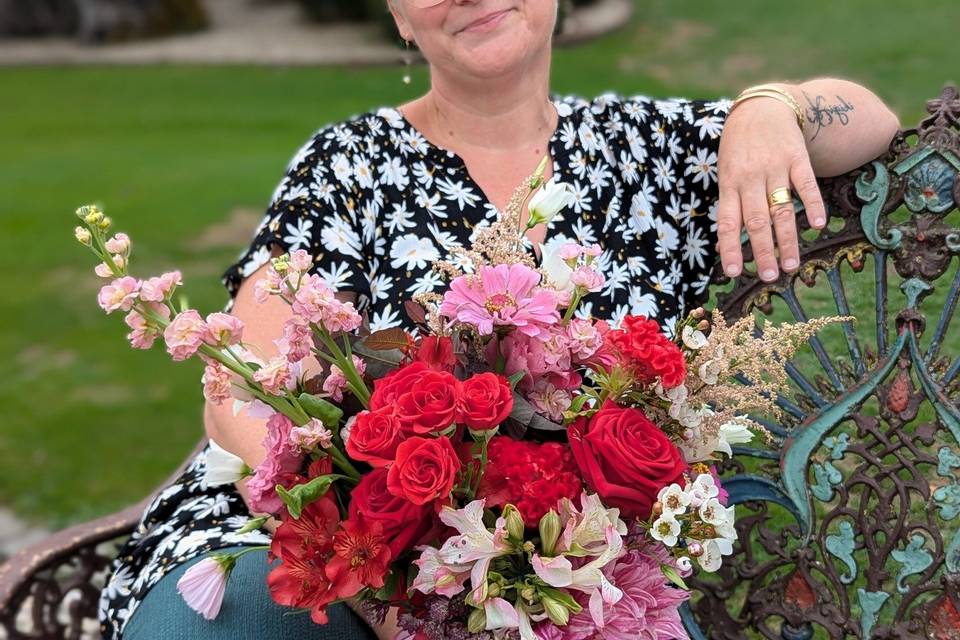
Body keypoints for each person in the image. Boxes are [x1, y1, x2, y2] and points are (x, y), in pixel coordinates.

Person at [97, 0, 901, 638]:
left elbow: (871, 120)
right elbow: (244, 386)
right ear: (400, 17)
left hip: (578, 586)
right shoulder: (349, 165)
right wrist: (394, 583)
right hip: (320, 556)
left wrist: (772, 106)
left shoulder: (650, 149)